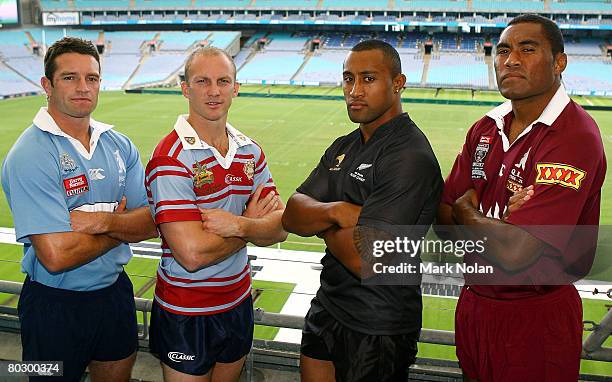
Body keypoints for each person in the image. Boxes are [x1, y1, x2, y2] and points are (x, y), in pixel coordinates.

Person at [437, 14, 606, 382]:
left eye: (527, 49)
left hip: (534, 315)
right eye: (502, 51)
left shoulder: (573, 135)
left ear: (558, 62)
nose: (510, 60)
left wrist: (469, 211)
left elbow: (515, 253)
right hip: (475, 304)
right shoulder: (485, 127)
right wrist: (498, 227)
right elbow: (442, 222)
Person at [282, 40, 443, 382]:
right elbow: (292, 215)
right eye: (348, 79)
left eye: (368, 79)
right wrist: (339, 211)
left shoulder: (409, 155)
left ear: (398, 84)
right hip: (329, 303)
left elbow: (364, 260)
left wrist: (320, 221)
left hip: (379, 321)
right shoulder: (345, 145)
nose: (354, 90)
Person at [1, 37, 158, 382]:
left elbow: (152, 222)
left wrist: (100, 222)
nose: (83, 87)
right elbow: (56, 256)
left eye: (92, 78)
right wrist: (120, 227)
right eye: (70, 77)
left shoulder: (119, 143)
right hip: (51, 304)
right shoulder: (29, 154)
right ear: (47, 85)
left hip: (115, 292)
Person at [145, 46, 287, 382]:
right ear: (185, 89)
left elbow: (281, 227)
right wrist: (251, 227)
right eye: (202, 81)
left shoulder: (250, 151)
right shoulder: (170, 158)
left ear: (235, 88)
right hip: (186, 310)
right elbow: (192, 254)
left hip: (238, 301)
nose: (213, 91)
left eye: (223, 81)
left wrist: (237, 224)